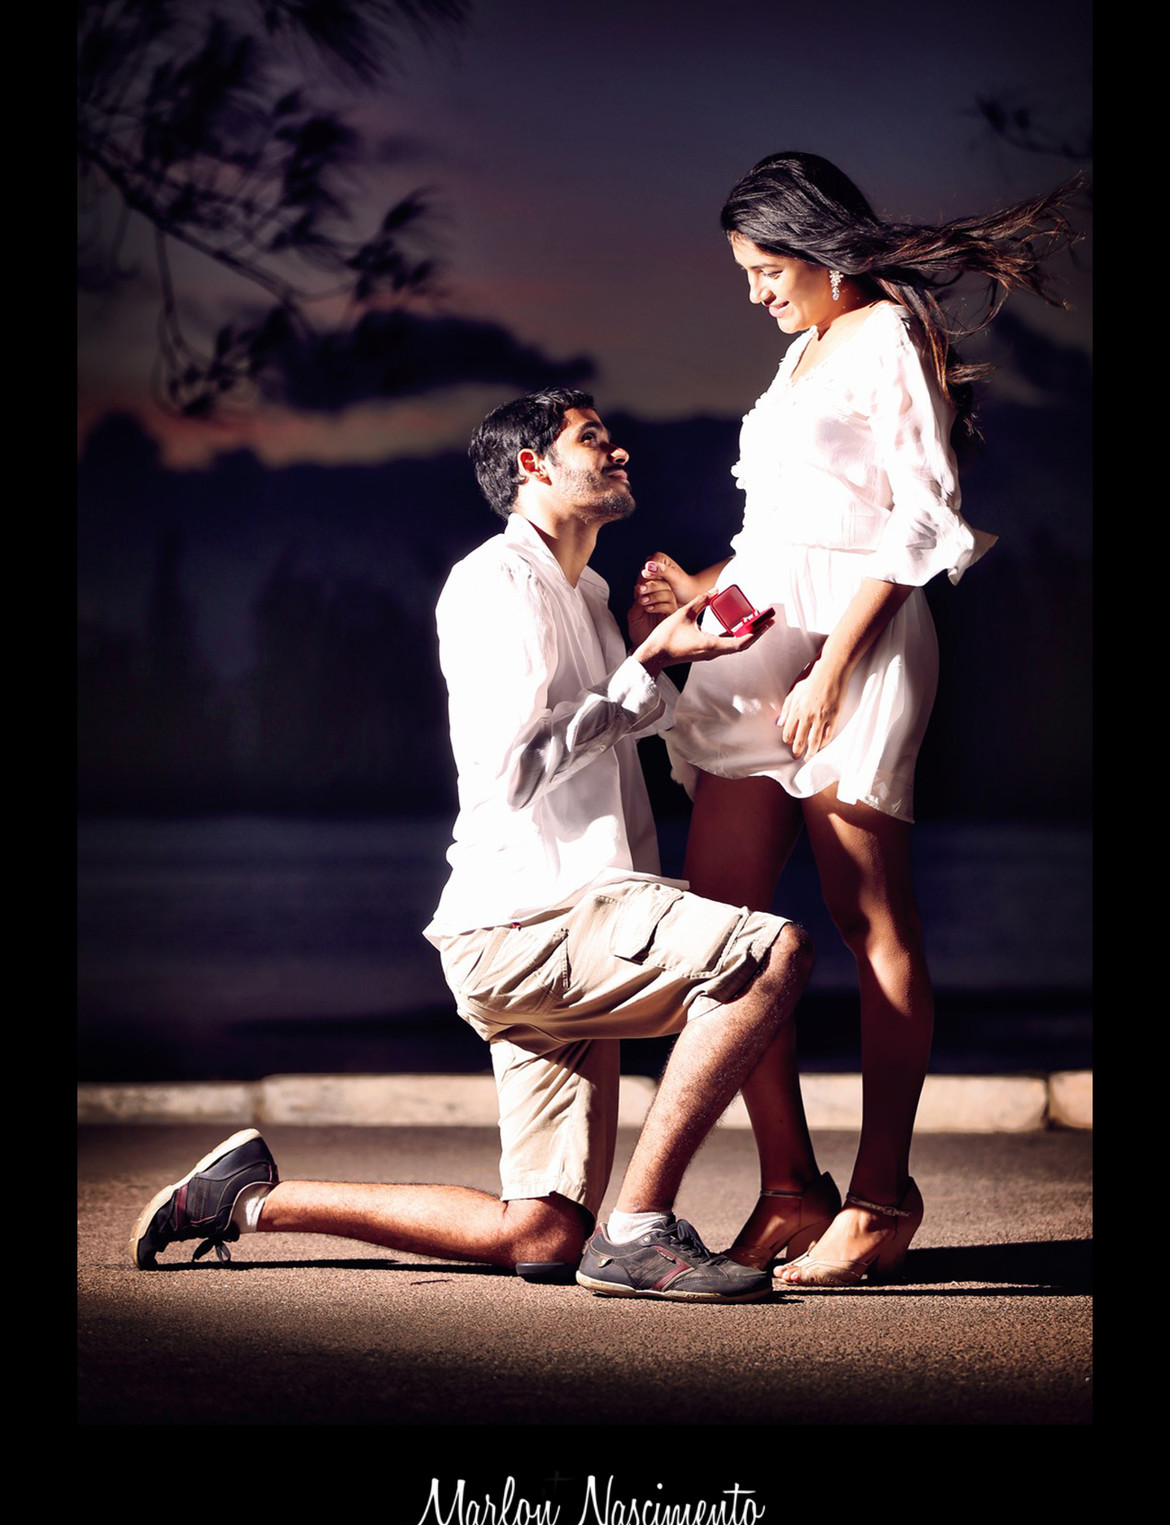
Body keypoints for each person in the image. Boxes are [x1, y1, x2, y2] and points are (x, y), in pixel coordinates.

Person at [131, 388, 814, 1302]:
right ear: (532, 467)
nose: (618, 453)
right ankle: (641, 1230)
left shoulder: (591, 592)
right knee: (770, 954)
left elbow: (606, 728)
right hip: (537, 923)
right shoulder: (494, 583)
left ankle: (242, 1200)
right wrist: (647, 664)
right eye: (592, 439)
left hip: (563, 922)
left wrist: (657, 654)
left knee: (540, 1233)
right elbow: (513, 770)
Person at [631, 151, 1079, 1286]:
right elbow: (785, 536)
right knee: (724, 931)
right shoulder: (800, 351)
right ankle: (791, 1188)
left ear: (821, 249)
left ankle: (882, 1198)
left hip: (857, 652)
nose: (755, 293)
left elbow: (921, 518)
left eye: (765, 268)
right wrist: (700, 595)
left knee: (867, 913)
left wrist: (835, 665)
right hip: (755, 651)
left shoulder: (888, 337)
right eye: (744, 273)